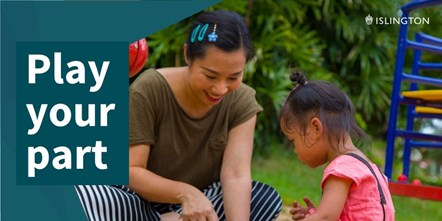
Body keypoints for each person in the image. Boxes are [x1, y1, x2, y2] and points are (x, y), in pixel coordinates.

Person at [75, 10, 282, 221]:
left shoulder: (242, 100)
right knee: (80, 193)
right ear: (187, 55)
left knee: (264, 199)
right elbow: (131, 171)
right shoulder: (150, 87)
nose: (220, 89)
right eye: (210, 75)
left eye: (234, 76)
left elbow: (236, 176)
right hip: (137, 200)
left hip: (200, 205)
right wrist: (186, 193)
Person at [279, 72, 395, 221]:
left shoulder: (341, 167)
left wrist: (319, 216)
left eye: (293, 140)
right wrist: (314, 213)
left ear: (316, 128)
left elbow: (326, 218)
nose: (295, 150)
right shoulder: (365, 166)